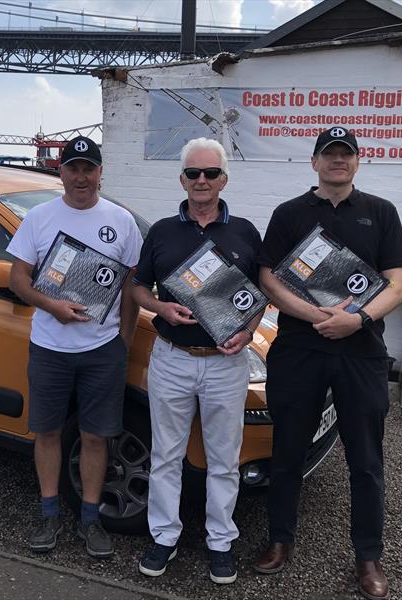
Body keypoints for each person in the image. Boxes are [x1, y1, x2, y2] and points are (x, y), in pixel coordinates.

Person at [254, 126, 402, 600]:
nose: (337, 162)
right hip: (299, 350)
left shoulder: (380, 213)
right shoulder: (289, 213)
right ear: (315, 162)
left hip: (361, 353)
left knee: (366, 459)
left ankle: (368, 557)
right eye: (329, 154)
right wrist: (315, 316)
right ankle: (279, 540)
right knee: (288, 452)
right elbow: (267, 277)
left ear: (357, 162)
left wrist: (356, 320)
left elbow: (397, 285)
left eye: (345, 155)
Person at [131, 137, 263, 584]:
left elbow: (258, 297)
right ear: (182, 179)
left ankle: (221, 541)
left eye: (210, 173)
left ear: (224, 179)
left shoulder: (245, 231)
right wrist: (159, 308)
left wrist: (247, 331)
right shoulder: (163, 231)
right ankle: (164, 536)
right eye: (193, 173)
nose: (201, 181)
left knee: (224, 459)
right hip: (172, 356)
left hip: (225, 363)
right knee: (165, 454)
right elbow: (136, 286)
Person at [6, 136, 142, 558]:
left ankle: (89, 518)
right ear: (60, 172)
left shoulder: (121, 221)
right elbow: (18, 280)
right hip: (49, 346)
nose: (81, 176)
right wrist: (53, 306)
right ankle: (49, 514)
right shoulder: (39, 218)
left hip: (102, 350)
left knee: (96, 436)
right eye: (73, 167)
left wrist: (123, 343)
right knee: (46, 432)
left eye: (89, 168)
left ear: (101, 172)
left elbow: (131, 288)